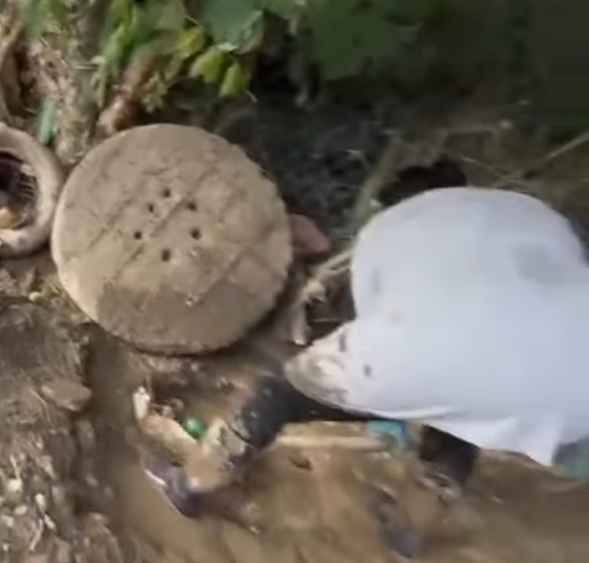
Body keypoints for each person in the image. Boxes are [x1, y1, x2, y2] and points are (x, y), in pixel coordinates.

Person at [141, 168, 589, 558]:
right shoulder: (514, 212)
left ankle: (190, 484)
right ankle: (414, 530)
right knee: (463, 411)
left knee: (285, 393)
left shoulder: (386, 232)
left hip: (442, 350)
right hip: (574, 388)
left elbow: (380, 318)